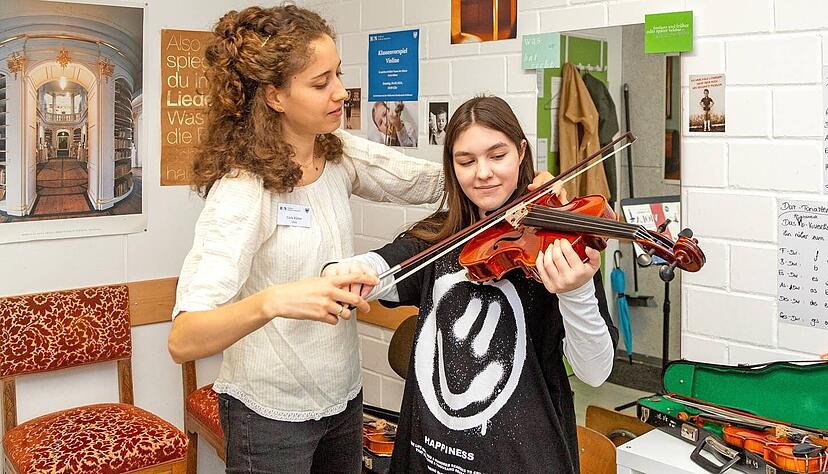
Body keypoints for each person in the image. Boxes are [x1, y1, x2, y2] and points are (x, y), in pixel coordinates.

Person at [166, 5, 447, 473]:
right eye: (321, 83)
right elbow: (184, 337)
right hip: (269, 417)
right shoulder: (242, 189)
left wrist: (511, 177)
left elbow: (434, 183)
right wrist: (274, 301)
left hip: (344, 399)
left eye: (338, 74)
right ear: (275, 96)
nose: (341, 92)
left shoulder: (337, 153)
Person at [324, 96, 618, 473]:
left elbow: (596, 372)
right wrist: (347, 270)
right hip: (429, 458)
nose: (483, 173)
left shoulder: (557, 246)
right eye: (466, 161)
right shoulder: (441, 238)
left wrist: (576, 293)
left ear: (521, 152)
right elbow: (383, 266)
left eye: (498, 156)